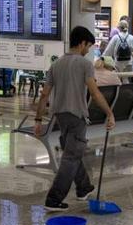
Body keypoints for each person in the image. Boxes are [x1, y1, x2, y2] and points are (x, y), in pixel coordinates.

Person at [33, 26, 116, 211]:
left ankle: (83, 187)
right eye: (88, 46)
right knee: (71, 157)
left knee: (72, 151)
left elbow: (45, 94)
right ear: (82, 43)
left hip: (60, 116)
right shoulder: (85, 64)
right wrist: (109, 113)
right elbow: (94, 93)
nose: (88, 50)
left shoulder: (56, 64)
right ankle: (53, 199)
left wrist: (38, 119)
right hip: (77, 115)